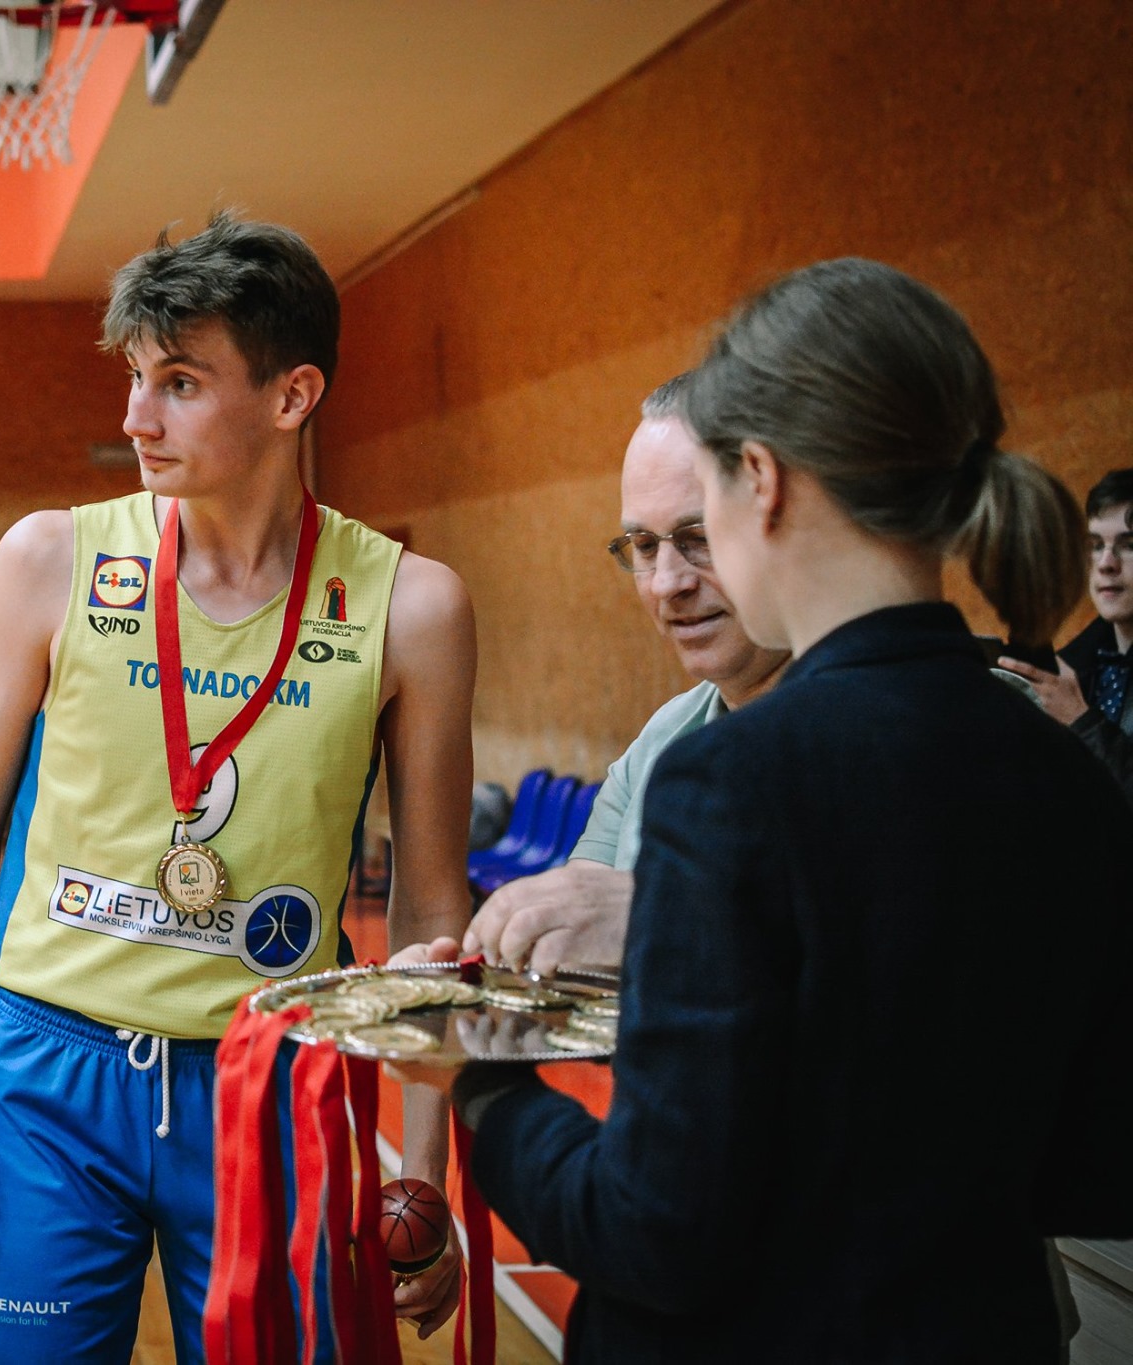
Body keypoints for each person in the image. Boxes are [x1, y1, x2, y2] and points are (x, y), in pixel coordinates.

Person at [420, 259, 1130, 1363]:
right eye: (640, 547)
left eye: (695, 524)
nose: (667, 579)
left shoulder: (737, 784)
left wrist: (481, 1082)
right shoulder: (1067, 770)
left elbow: (652, 1231)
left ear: (758, 480)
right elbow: (1095, 1163)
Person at [0, 213, 475, 1362]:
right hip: (48, 1081)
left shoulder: (413, 608)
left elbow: (428, 906)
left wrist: (420, 1167)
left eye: (180, 383)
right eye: (134, 377)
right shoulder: (48, 561)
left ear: (292, 396)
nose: (134, 417)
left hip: (277, 1087)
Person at [461, 375, 789, 975]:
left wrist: (658, 912)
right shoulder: (662, 739)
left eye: (698, 537)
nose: (667, 583)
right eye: (643, 545)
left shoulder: (904, 721)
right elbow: (579, 936)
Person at [999, 467, 1133, 798]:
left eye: (1129, 545)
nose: (1106, 563)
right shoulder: (1075, 666)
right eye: (1095, 545)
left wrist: (1081, 721)